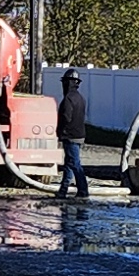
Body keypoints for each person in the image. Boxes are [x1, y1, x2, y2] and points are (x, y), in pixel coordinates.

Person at [56, 66, 90, 201]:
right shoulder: (80, 98)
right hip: (80, 134)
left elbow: (66, 117)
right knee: (69, 163)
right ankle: (63, 191)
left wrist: (61, 131)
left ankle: (83, 190)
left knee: (74, 164)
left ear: (68, 82)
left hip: (70, 136)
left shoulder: (68, 99)